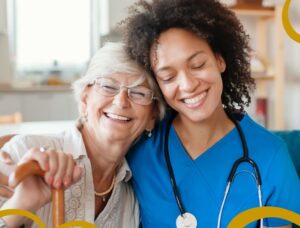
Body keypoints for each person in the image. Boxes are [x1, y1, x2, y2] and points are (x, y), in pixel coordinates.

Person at [124, 0, 300, 227]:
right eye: (168, 77)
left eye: (197, 65)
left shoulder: (271, 156)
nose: (187, 85)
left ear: (220, 60)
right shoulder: (141, 148)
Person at [0, 42, 165, 227]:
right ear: (85, 98)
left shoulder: (133, 197)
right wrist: (23, 203)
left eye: (139, 93)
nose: (121, 102)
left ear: (153, 116)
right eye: (108, 86)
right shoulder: (22, 155)